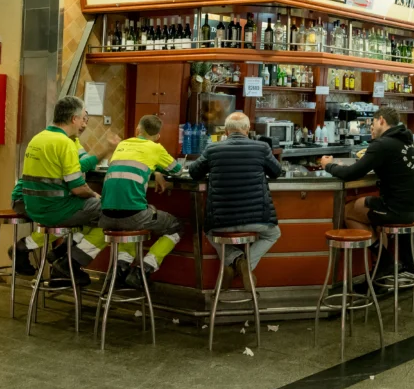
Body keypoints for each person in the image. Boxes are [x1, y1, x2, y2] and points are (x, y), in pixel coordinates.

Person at [9, 112, 119, 276]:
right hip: (30, 200)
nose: (85, 125)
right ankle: (67, 261)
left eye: (87, 121)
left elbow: (83, 162)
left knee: (88, 217)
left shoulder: (70, 141)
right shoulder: (62, 142)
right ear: (73, 120)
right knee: (108, 214)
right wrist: (106, 152)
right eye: (83, 120)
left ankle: (62, 255)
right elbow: (79, 172)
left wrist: (106, 153)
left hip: (36, 200)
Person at [193, 112, 282, 291]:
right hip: (258, 220)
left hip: (220, 222)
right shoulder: (262, 147)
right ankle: (245, 264)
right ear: (248, 129)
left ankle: (233, 260)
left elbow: (194, 173)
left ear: (225, 131)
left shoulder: (212, 149)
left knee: (209, 232)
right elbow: (276, 172)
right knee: (273, 234)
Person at [322, 107, 414, 246]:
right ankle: (383, 261)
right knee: (368, 209)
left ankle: (384, 260)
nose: (371, 127)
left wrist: (328, 165)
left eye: (373, 123)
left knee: (348, 211)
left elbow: (351, 174)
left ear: (381, 120)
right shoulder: (408, 142)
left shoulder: (381, 144)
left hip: (400, 210)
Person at [99, 115, 183, 289]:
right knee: (176, 226)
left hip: (105, 215)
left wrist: (155, 171)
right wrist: (157, 170)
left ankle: (120, 270)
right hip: (133, 215)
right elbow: (177, 170)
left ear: (138, 130)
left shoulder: (122, 145)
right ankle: (143, 270)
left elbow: (133, 164)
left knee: (128, 226)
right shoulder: (156, 148)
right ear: (158, 136)